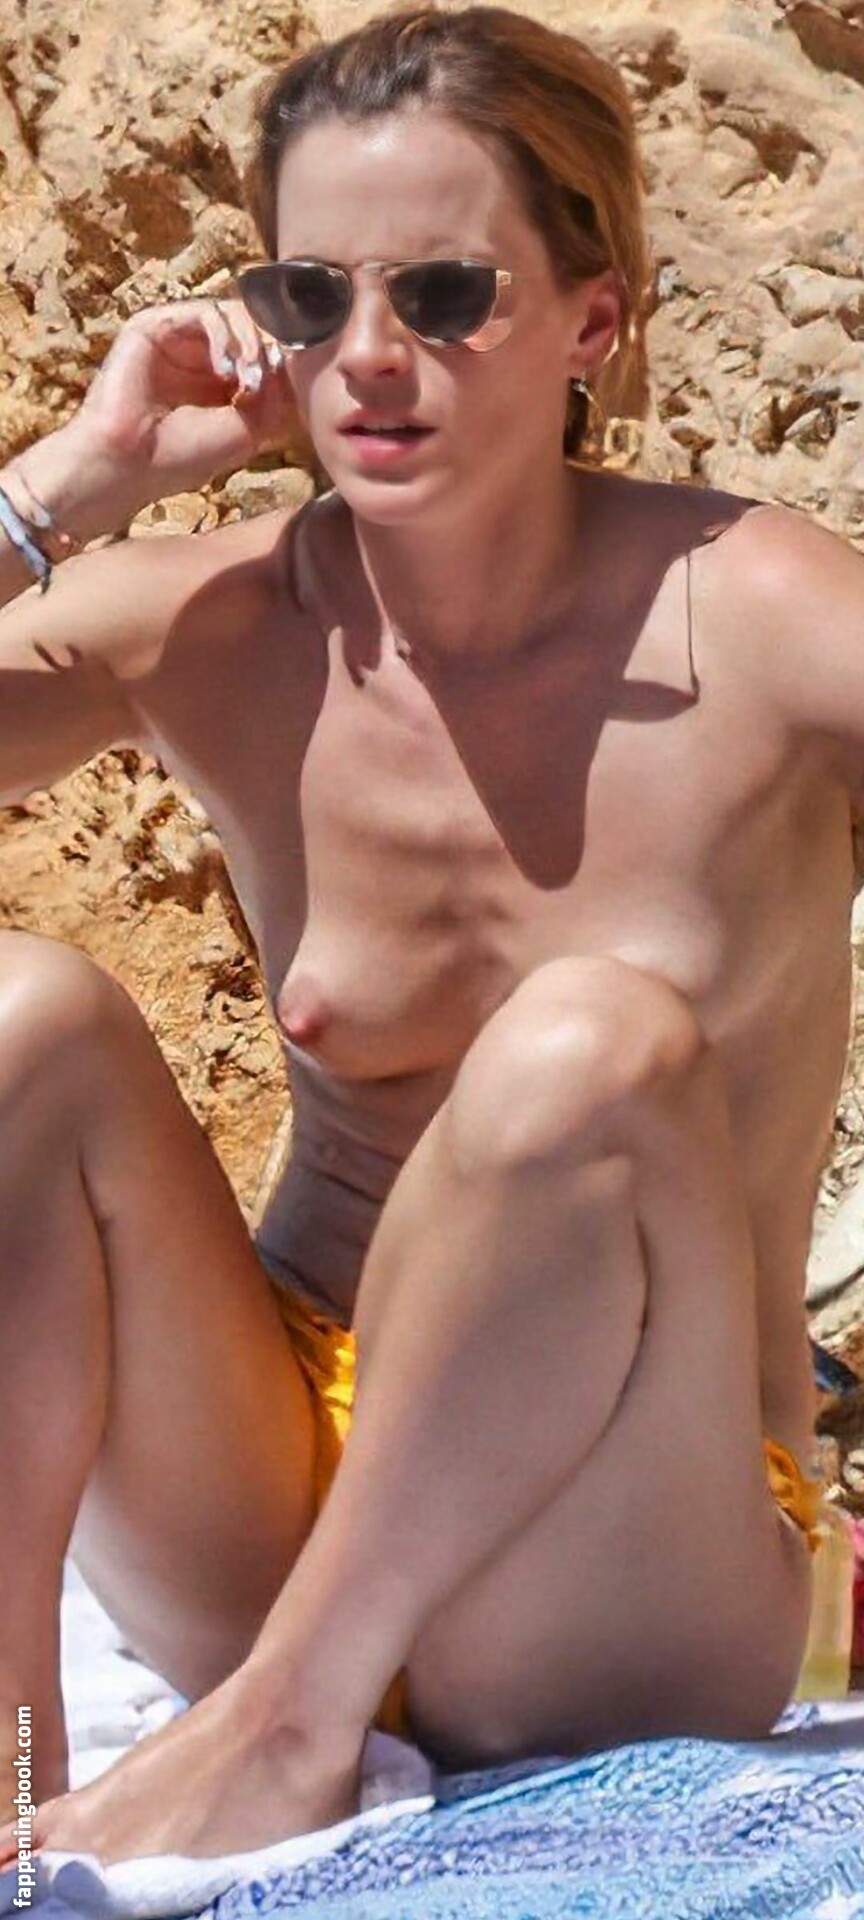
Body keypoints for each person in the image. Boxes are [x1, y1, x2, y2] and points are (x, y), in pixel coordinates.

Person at [0, 0, 859, 1869]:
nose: (372, 358)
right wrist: (75, 483)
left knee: (587, 1052)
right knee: (18, 1023)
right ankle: (12, 1770)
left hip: (619, 1547)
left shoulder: (772, 622)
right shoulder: (220, 627)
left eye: (448, 294)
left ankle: (284, 1730)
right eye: (313, 298)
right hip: (269, 1501)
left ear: (592, 321)